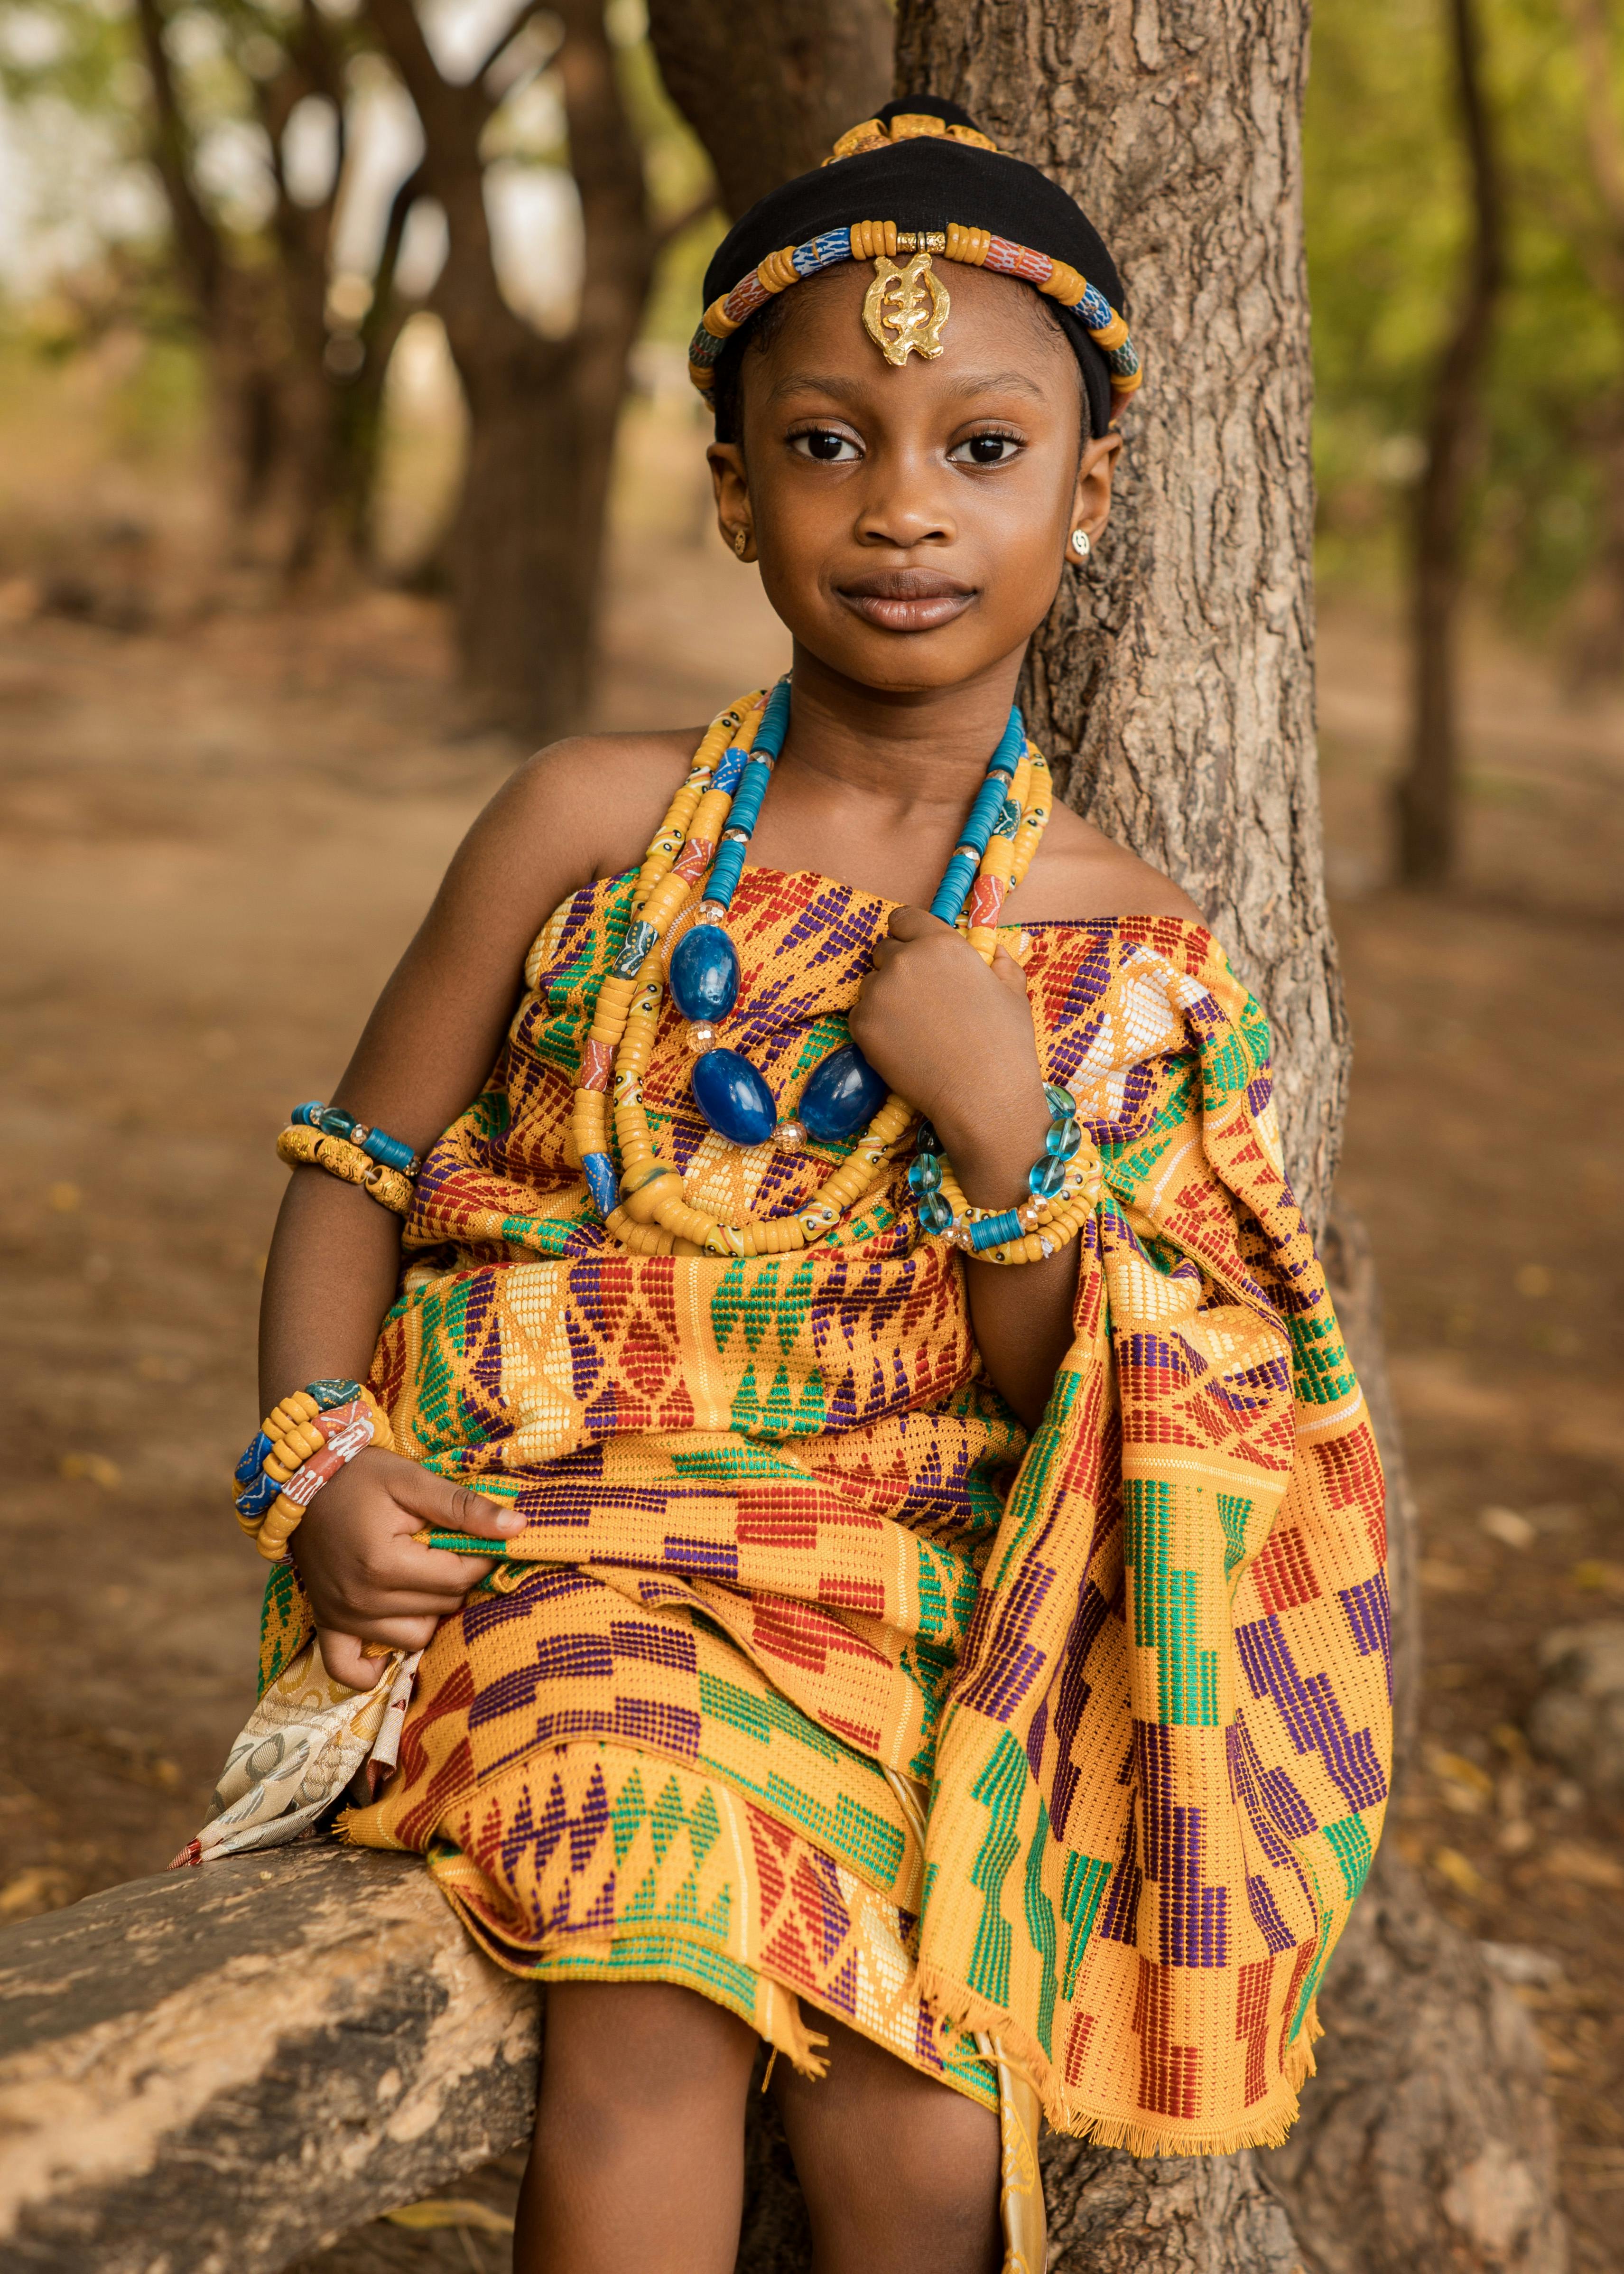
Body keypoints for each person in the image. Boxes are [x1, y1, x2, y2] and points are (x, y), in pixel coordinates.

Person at [210, 98, 1391, 2274]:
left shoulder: (1120, 944)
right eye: (830, 444)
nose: (903, 509)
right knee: (651, 1991)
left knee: (926, 2130)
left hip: (892, 1606)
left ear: (1091, 492)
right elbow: (359, 1163)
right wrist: (317, 1461)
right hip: (546, 1552)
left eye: (982, 447)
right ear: (736, 491)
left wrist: (999, 1126)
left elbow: (1087, 1395)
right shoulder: (583, 821)